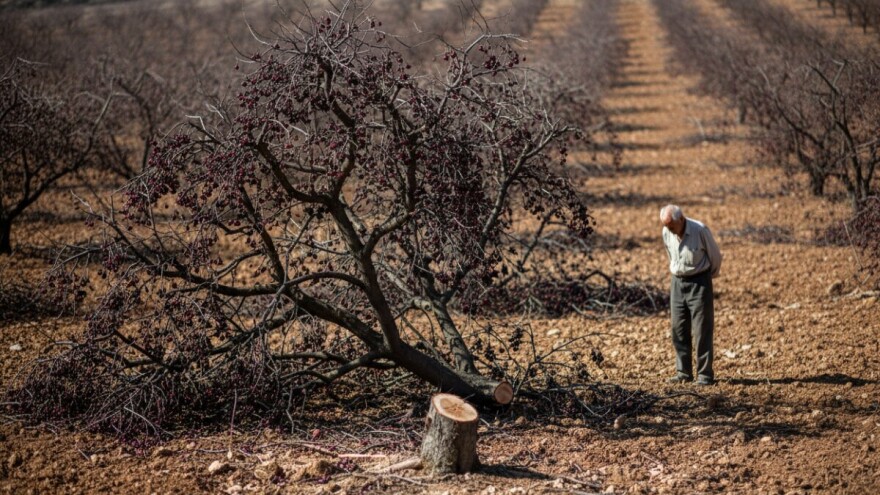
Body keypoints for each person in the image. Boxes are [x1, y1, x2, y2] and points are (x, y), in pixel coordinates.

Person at [659, 205, 722, 386]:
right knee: (678, 328)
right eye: (666, 226)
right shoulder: (666, 232)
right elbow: (670, 254)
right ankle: (683, 372)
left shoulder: (699, 230)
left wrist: (705, 279)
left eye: (671, 226)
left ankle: (705, 375)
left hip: (699, 282)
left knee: (702, 330)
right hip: (677, 282)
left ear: (682, 220)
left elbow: (715, 257)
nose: (669, 230)